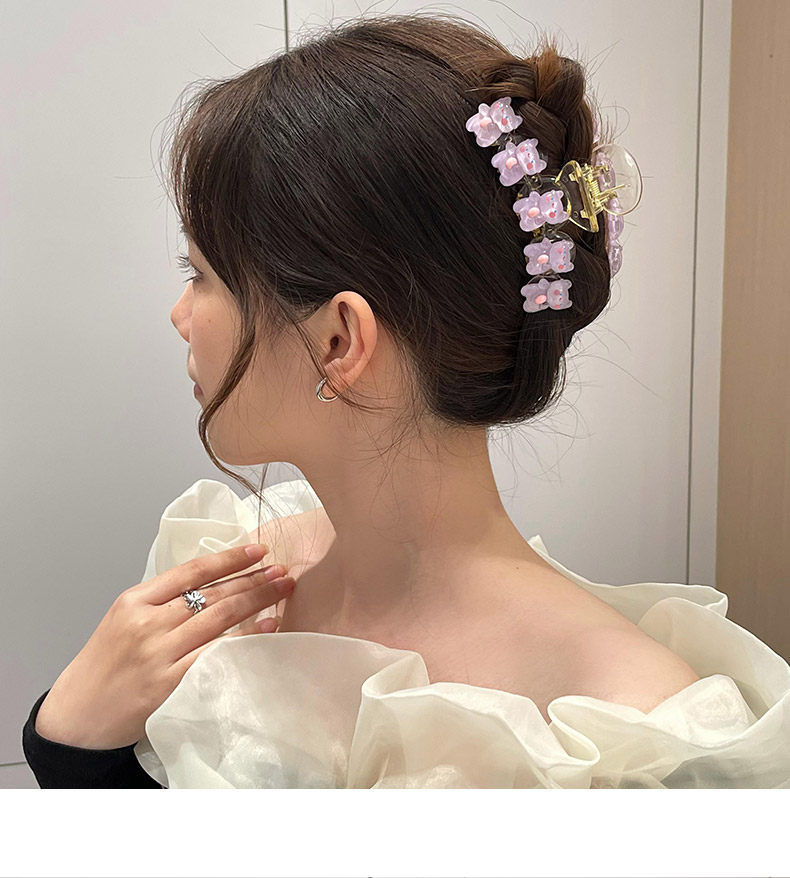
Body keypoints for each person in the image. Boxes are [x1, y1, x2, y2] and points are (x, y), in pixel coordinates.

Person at [23, 11, 790, 789]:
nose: (180, 315)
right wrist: (71, 732)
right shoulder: (222, 587)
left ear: (339, 341)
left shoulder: (632, 743)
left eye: (202, 276)